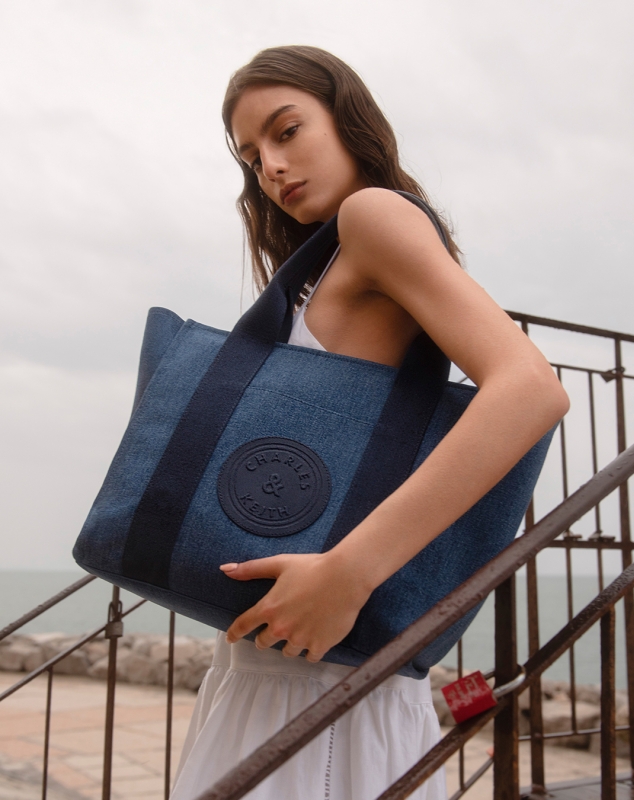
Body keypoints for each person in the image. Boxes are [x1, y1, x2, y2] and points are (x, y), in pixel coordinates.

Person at [170, 46, 569, 800]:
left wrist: (350, 572)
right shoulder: (325, 260)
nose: (271, 167)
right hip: (290, 666)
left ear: (347, 118)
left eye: (287, 131)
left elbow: (531, 389)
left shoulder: (373, 214)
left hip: (321, 684)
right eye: (252, 158)